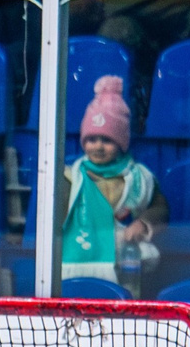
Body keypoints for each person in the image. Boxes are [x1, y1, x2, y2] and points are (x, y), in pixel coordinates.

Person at [58, 77, 165, 289]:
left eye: (107, 141)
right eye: (91, 139)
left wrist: (142, 223)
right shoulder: (71, 177)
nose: (98, 146)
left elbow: (160, 208)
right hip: (79, 260)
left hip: (125, 262)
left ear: (121, 143)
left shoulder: (137, 177)